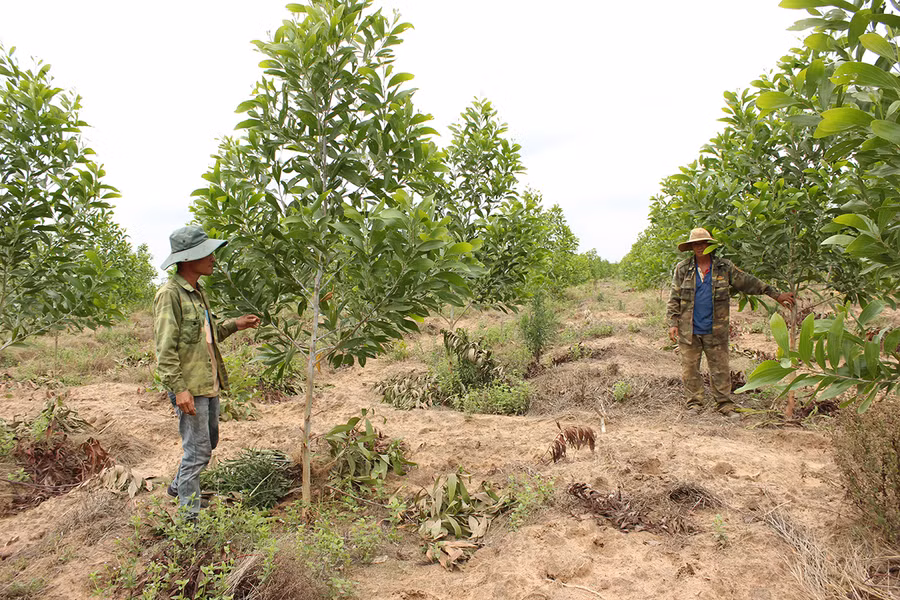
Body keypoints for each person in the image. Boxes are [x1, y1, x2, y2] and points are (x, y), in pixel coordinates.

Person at [153, 226, 260, 517]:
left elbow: (207, 335)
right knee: (197, 452)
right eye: (207, 253)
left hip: (208, 383)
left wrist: (237, 324)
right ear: (189, 259)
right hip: (191, 388)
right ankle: (190, 520)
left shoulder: (198, 293)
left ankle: (177, 484)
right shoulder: (170, 295)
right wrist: (180, 389)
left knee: (208, 443)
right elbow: (165, 349)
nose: (213, 258)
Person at [666, 228, 794, 418]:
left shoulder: (724, 267)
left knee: (720, 368)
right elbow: (674, 296)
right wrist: (672, 322)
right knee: (690, 369)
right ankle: (694, 403)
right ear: (691, 247)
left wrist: (775, 294)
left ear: (710, 245)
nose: (700, 247)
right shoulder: (683, 268)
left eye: (703, 243)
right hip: (689, 329)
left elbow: (748, 282)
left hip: (715, 329)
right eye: (696, 244)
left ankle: (724, 404)